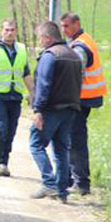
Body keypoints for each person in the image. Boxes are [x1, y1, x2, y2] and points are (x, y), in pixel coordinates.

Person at [28, 20, 83, 203]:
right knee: (61, 149)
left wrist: (38, 110)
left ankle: (49, 182)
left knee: (36, 144)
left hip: (51, 110)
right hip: (71, 109)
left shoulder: (50, 55)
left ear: (47, 38)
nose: (40, 42)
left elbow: (43, 85)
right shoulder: (74, 55)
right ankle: (62, 191)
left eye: (41, 38)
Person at [60, 12, 107, 196]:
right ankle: (75, 179)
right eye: (62, 26)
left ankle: (81, 183)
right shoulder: (80, 40)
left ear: (76, 24)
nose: (64, 30)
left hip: (81, 98)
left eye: (66, 26)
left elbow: (76, 67)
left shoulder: (81, 45)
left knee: (76, 140)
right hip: (85, 97)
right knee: (74, 139)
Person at [0, 19, 34, 177]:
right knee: (1, 127)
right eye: (6, 30)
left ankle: (4, 163)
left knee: (11, 130)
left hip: (15, 96)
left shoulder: (21, 49)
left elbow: (26, 74)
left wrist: (33, 93)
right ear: (1, 30)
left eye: (12, 30)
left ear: (16, 31)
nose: (9, 33)